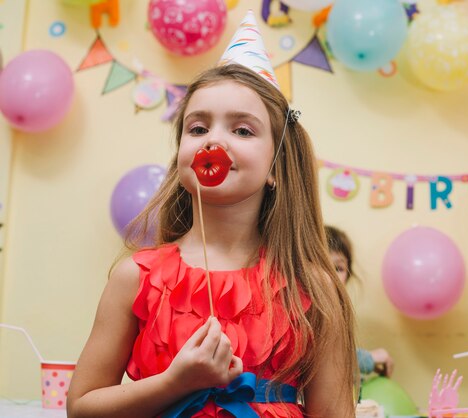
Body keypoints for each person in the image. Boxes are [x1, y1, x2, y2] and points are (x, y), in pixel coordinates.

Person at [67, 12, 357, 418]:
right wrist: (176, 382)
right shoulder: (135, 277)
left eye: (242, 130)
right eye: (198, 128)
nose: (214, 141)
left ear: (275, 166)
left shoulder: (314, 287)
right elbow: (82, 407)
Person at [325, 225, 394, 378]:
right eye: (322, 265)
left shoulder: (337, 312)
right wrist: (368, 359)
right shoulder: (301, 311)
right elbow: (322, 361)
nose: (330, 276)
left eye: (338, 268)